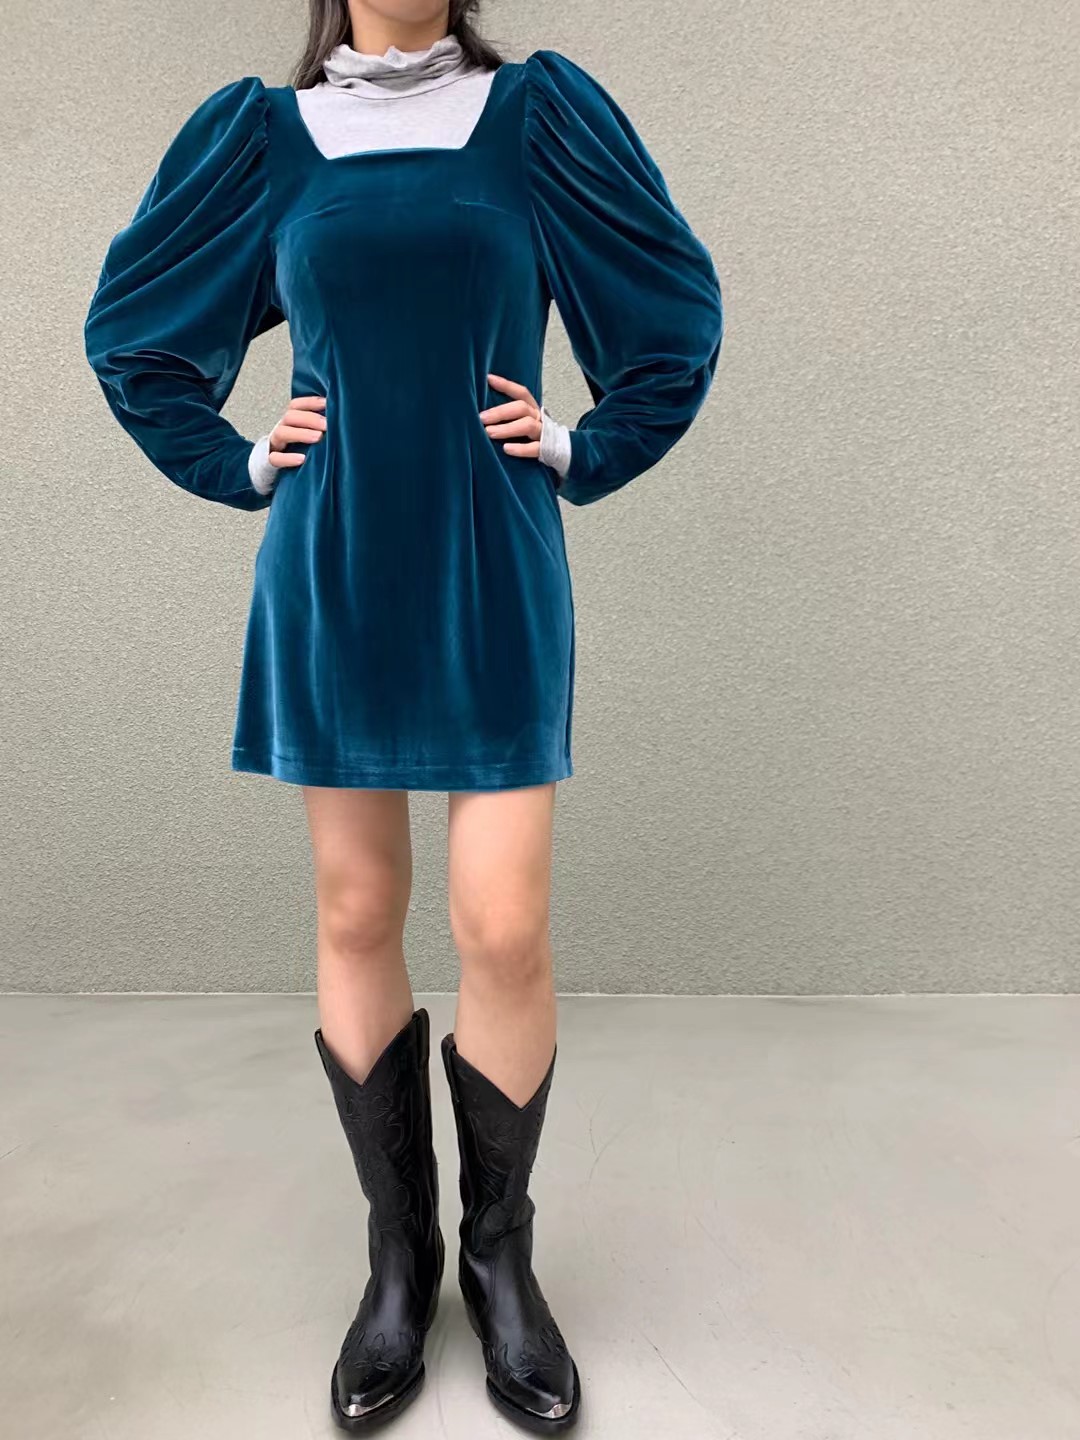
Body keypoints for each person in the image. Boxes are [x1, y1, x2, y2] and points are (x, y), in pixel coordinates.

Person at [83, 2, 724, 1433]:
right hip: (337, 569)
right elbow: (133, 336)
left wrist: (582, 443)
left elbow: (674, 311)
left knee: (503, 923)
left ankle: (500, 1257)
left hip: (492, 562)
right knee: (359, 910)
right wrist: (242, 459)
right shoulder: (264, 135)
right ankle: (399, 1255)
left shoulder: (540, 116)